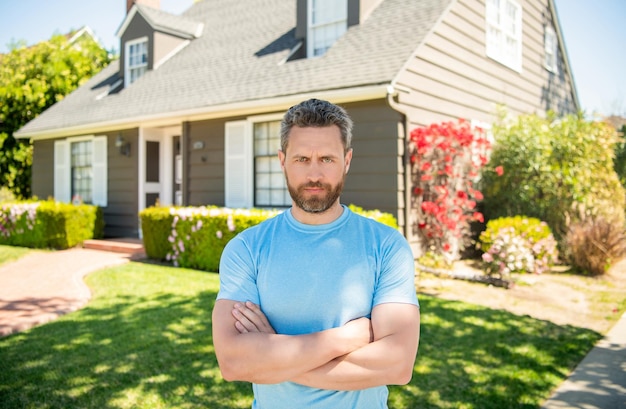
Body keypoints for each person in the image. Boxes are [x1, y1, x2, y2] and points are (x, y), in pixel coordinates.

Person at [212, 98, 420, 408]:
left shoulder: (387, 246)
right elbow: (233, 362)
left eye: (326, 158)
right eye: (301, 159)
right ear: (282, 160)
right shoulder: (246, 249)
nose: (314, 174)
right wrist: (345, 339)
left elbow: (397, 365)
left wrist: (274, 359)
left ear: (346, 160)